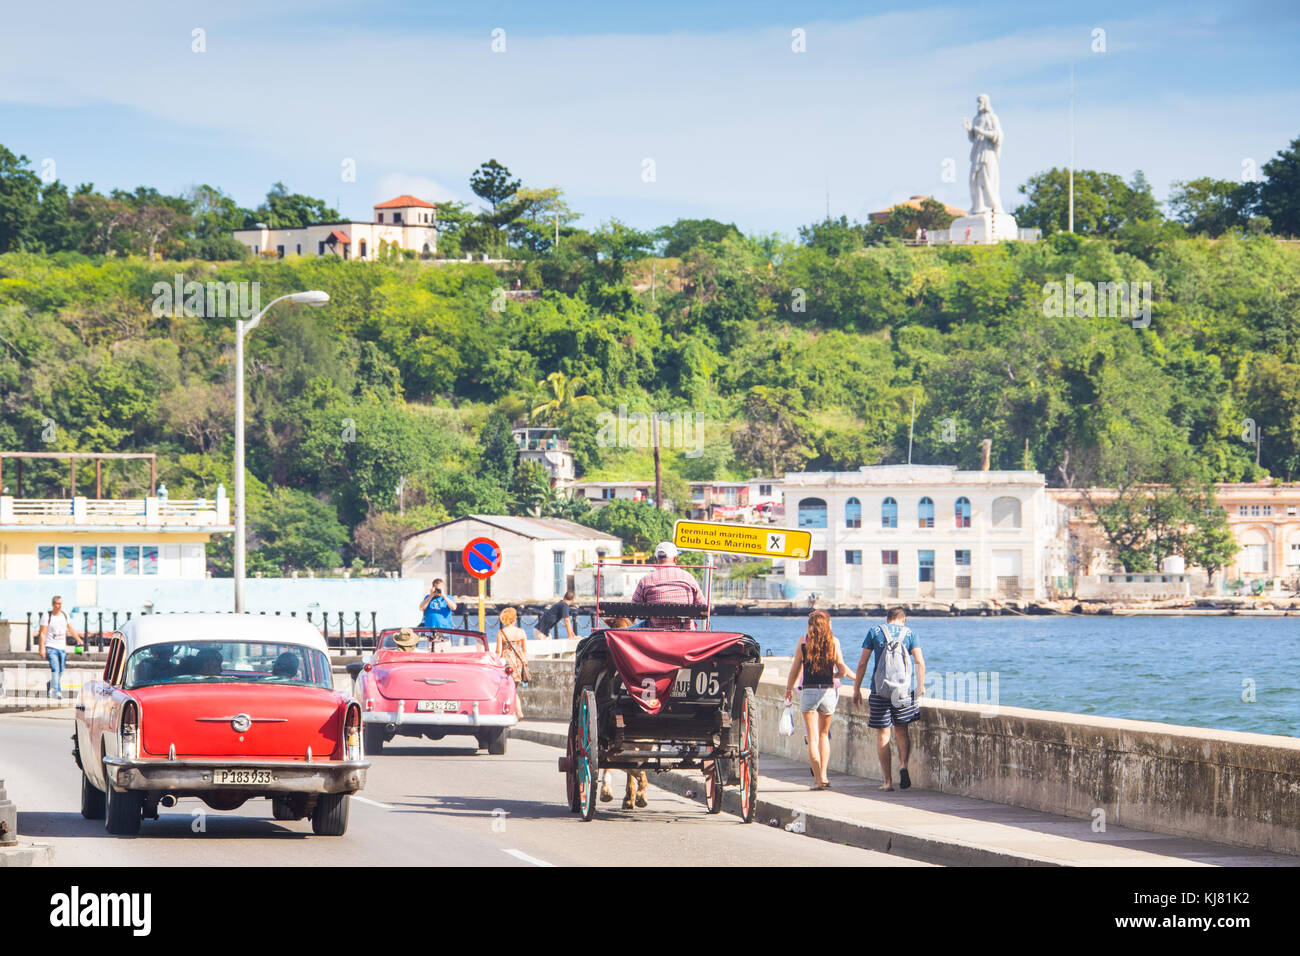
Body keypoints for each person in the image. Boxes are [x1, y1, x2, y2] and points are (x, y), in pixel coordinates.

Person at [851, 607, 926, 791]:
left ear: (888, 619)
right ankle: (903, 766)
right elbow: (919, 661)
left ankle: (887, 782)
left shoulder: (874, 631)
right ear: (903, 619)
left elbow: (862, 663)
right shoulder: (910, 633)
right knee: (902, 731)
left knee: (883, 734)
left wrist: (856, 688)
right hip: (902, 690)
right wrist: (921, 685)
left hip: (879, 689)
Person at [784, 610, 854, 790]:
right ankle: (824, 775)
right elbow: (843, 670)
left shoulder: (803, 641)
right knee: (824, 736)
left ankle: (817, 781)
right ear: (827, 624)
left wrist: (789, 689)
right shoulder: (834, 642)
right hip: (828, 692)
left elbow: (794, 670)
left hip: (808, 692)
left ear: (810, 625)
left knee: (812, 738)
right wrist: (836, 674)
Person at [596, 615, 648, 809]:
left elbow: (637, 607)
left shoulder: (646, 583)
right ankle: (632, 789)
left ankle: (629, 787)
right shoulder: (691, 585)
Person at [630, 542, 705, 629]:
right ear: (675, 559)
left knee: (628, 631)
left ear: (655, 559)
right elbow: (702, 608)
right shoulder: (688, 578)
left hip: (655, 632)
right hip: (685, 632)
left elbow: (633, 610)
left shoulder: (645, 580)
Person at [37, 595, 82, 699]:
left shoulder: (64, 615)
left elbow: (70, 628)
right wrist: (41, 648)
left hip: (62, 648)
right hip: (50, 647)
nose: (59, 606)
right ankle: (57, 692)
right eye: (57, 604)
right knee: (55, 669)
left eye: (60, 604)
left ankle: (50, 684)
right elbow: (42, 633)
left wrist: (78, 639)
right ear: (53, 604)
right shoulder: (47, 616)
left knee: (61, 671)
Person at [495, 608, 529, 718]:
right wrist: (525, 663)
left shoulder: (501, 633)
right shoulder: (521, 632)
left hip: (507, 663)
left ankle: (517, 712)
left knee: (510, 689)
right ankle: (517, 712)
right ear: (514, 618)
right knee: (514, 688)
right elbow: (524, 650)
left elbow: (498, 651)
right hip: (518, 663)